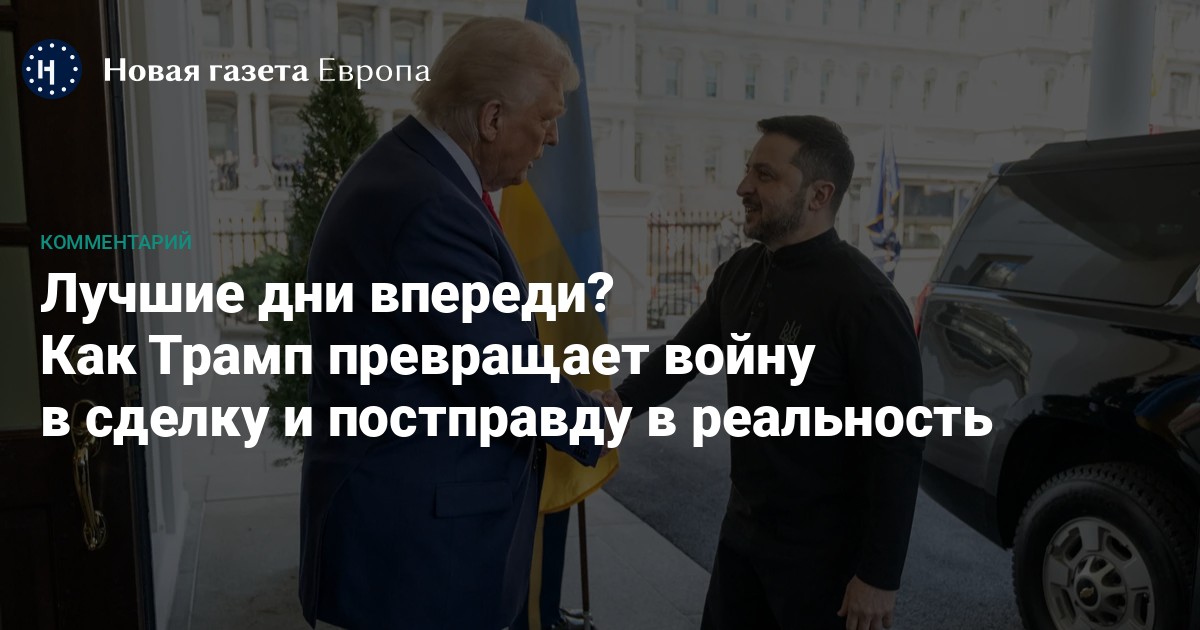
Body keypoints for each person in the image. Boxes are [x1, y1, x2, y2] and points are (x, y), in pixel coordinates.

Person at [299, 18, 611, 629]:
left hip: (409, 522)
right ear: (492, 118)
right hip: (420, 550)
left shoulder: (416, 173)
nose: (552, 137)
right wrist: (594, 415)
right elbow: (503, 369)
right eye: (546, 117)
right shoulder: (431, 204)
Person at [604, 116, 924, 630]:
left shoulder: (866, 300)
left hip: (827, 564)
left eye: (765, 175)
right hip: (743, 538)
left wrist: (879, 576)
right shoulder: (739, 272)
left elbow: (898, 446)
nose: (743, 187)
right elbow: (679, 358)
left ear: (819, 194)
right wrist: (614, 407)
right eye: (748, 170)